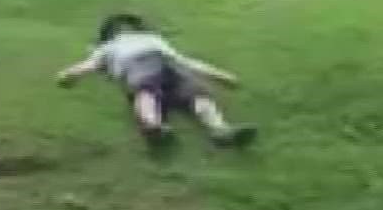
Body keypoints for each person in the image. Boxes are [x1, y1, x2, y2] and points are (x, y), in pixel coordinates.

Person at [56, 13, 258, 150]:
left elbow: (184, 61)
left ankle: (221, 131)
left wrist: (220, 76)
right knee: (146, 91)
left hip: (169, 64)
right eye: (120, 27)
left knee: (198, 93)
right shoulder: (108, 47)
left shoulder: (154, 39)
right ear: (111, 34)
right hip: (137, 65)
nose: (126, 30)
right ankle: (153, 127)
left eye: (129, 26)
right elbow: (91, 64)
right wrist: (71, 74)